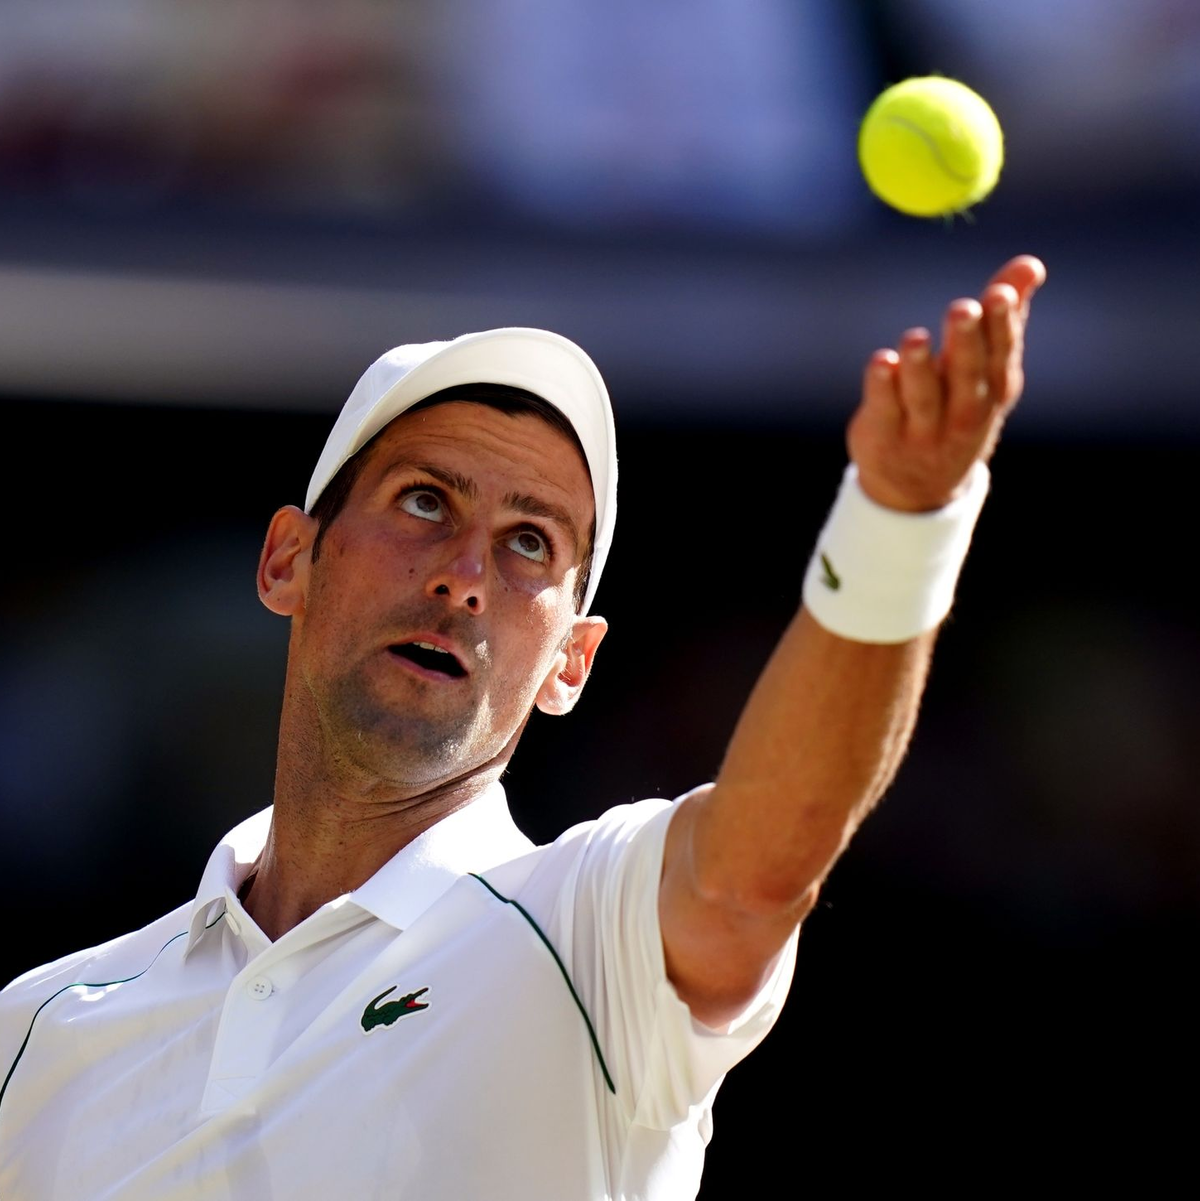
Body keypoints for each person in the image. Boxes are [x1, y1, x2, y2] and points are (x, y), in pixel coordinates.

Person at [0, 255, 1045, 1199]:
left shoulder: (587, 931)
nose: (463, 577)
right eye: (423, 503)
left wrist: (901, 518)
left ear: (571, 664)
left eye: (530, 544)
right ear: (289, 560)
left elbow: (754, 873)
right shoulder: (35, 1029)